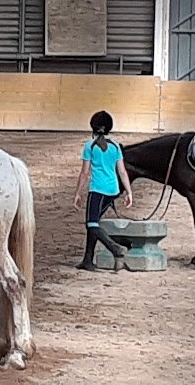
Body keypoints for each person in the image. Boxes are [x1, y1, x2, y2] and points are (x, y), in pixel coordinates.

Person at [73, 110, 134, 271]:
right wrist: (129, 192)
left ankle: (115, 249)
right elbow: (122, 171)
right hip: (112, 190)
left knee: (91, 224)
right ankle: (88, 259)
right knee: (94, 223)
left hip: (97, 190)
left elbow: (85, 173)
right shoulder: (115, 146)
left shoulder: (90, 146)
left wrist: (78, 193)